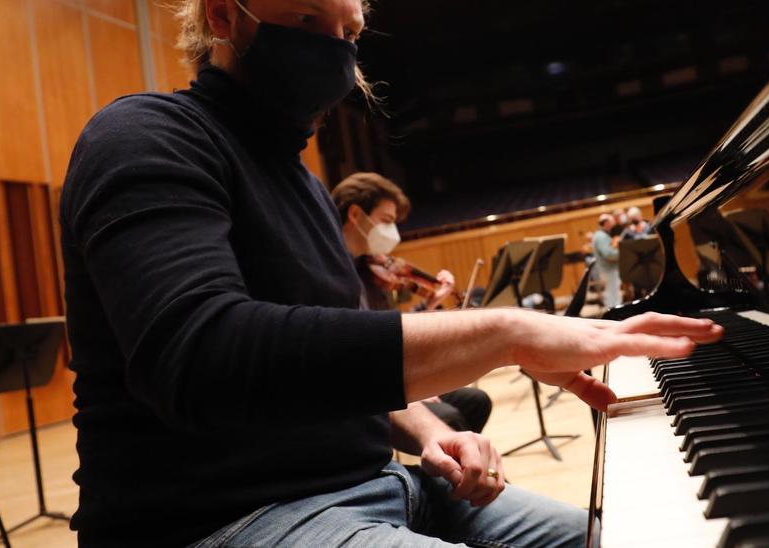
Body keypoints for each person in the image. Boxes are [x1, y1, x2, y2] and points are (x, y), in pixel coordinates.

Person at [58, 0, 724, 545]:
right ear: (223, 17)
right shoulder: (144, 135)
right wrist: (506, 334)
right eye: (309, 21)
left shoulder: (309, 187)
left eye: (349, 33)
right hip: (223, 520)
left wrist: (437, 433)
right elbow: (203, 358)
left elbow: (342, 359)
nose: (335, 50)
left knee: (633, 537)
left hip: (390, 484)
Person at [333, 172, 493, 433]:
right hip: (366, 390)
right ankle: (455, 468)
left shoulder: (370, 272)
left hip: (393, 377)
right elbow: (363, 349)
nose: (392, 233)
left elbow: (393, 330)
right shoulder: (336, 273)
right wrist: (410, 388)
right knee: (449, 417)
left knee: (476, 402)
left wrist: (432, 303)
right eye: (386, 221)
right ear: (355, 215)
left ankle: (452, 469)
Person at [592, 214, 622, 308]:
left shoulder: (601, 235)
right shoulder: (601, 237)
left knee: (613, 293)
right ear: (606, 223)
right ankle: (614, 316)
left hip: (608, 269)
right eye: (612, 222)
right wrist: (623, 253)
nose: (613, 224)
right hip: (608, 270)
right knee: (612, 295)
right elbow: (609, 254)